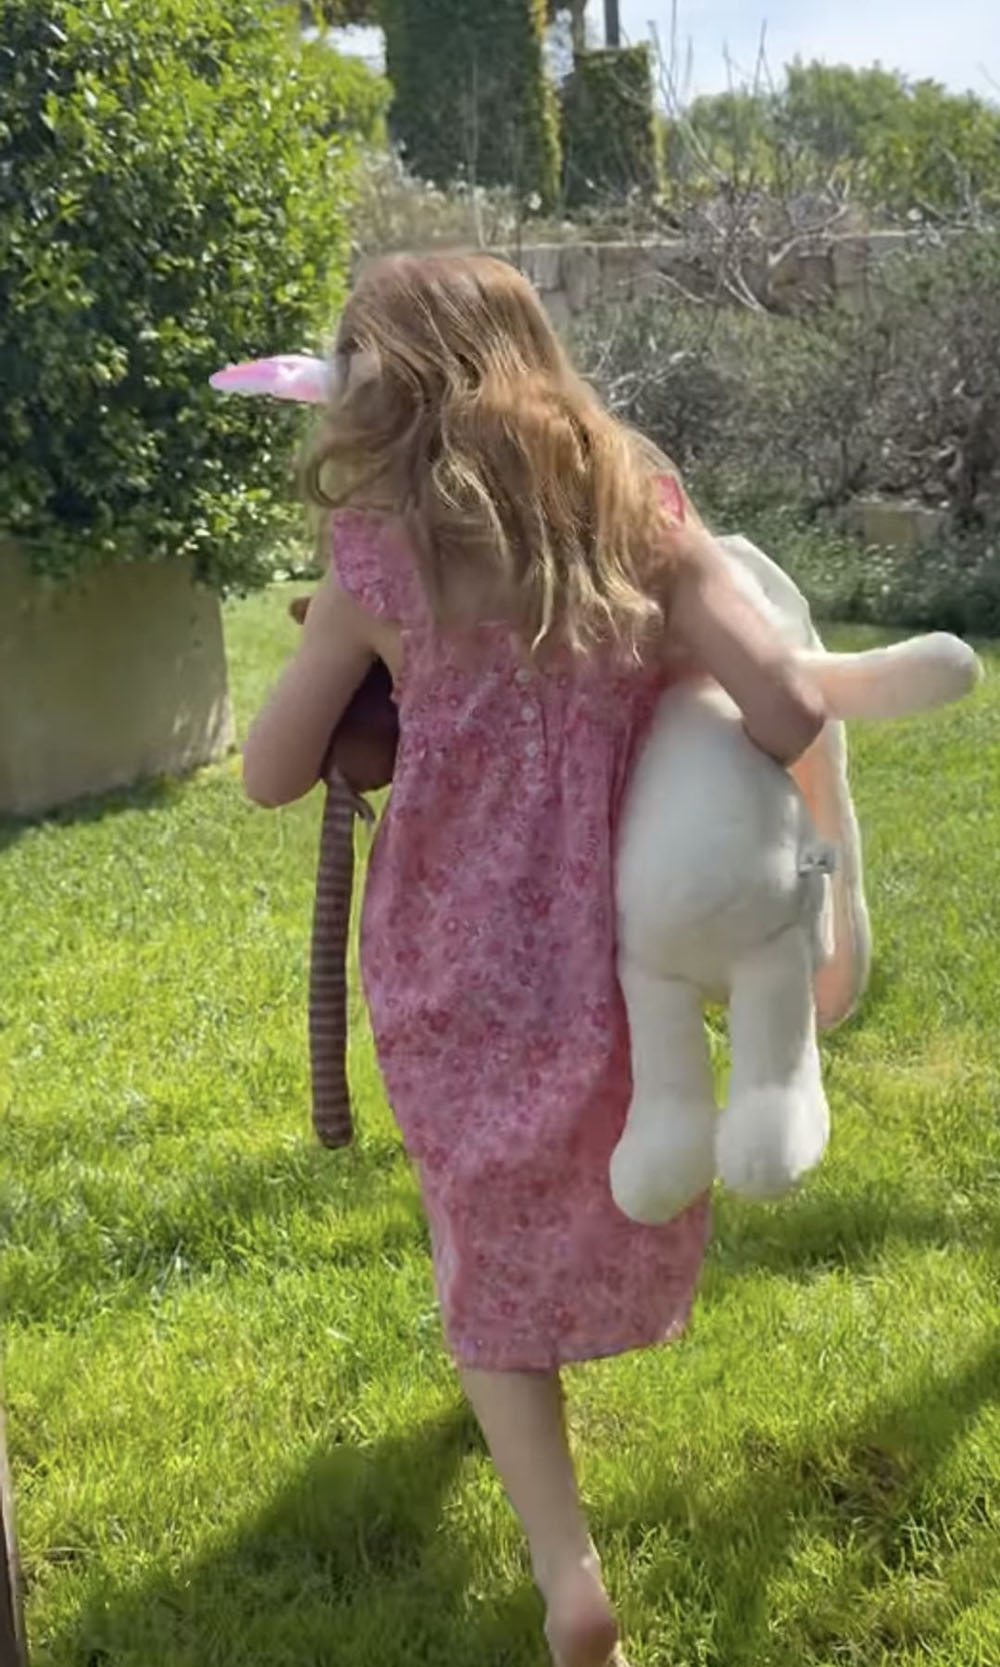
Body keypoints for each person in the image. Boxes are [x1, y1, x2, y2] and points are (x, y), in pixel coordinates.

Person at [244, 252, 825, 1667]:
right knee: (584, 1178)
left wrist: (355, 650)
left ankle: (570, 1576)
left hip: (446, 953)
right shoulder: (640, 514)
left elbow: (268, 773)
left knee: (481, 1232)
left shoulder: (378, 556)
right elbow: (791, 705)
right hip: (616, 941)